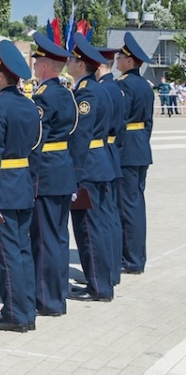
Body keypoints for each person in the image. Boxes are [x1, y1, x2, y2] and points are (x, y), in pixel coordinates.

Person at [0, 40, 41, 333]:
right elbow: (35, 148)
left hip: (2, 189)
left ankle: (15, 313)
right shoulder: (30, 106)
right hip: (23, 186)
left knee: (5, 256)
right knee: (23, 252)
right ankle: (27, 309)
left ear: (1, 76)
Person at [28, 32, 78, 317]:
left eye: (37, 63)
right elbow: (72, 132)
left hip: (45, 172)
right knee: (59, 236)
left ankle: (47, 300)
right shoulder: (67, 94)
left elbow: (36, 140)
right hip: (63, 168)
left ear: (46, 66)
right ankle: (58, 294)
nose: (35, 67)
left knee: (45, 238)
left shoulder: (44, 96)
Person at [66, 33, 116, 302]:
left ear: (82, 64)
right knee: (98, 227)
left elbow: (81, 137)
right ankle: (102, 282)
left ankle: (98, 287)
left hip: (88, 168)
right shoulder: (99, 89)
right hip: (100, 163)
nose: (69, 62)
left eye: (73, 59)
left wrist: (72, 175)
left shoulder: (86, 93)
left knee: (89, 230)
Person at [115, 32, 154, 275]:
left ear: (130, 61)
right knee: (136, 204)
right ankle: (136, 254)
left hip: (127, 150)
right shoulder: (146, 87)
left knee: (127, 207)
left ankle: (131, 259)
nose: (117, 60)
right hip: (140, 147)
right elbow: (148, 123)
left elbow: (119, 122)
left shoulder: (124, 86)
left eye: (120, 57)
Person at [96, 46, 126, 288]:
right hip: (112, 152)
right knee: (112, 216)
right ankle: (113, 270)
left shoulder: (102, 90)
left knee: (102, 219)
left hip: (99, 153)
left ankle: (105, 274)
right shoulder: (115, 88)